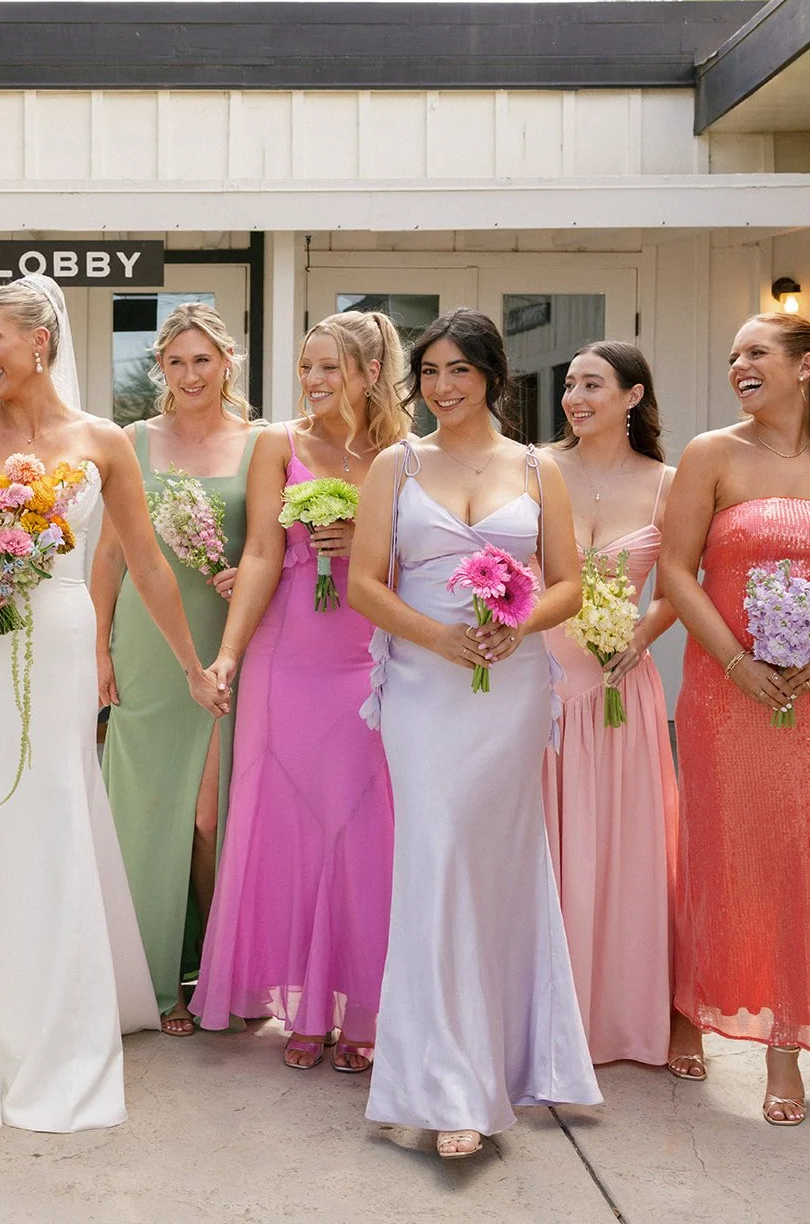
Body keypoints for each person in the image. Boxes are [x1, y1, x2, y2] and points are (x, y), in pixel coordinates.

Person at [0, 274, 229, 1157]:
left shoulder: (104, 442)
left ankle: (51, 1010)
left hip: (56, 634)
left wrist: (195, 665)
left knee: (50, 804)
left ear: (40, 343)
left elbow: (150, 567)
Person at [347, 307, 600, 1159]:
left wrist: (519, 623)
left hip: (512, 690)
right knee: (439, 856)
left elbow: (566, 584)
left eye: (459, 371)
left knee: (499, 865)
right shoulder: (397, 462)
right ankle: (446, 1089)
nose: (442, 387)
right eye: (429, 373)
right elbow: (365, 585)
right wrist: (440, 637)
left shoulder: (538, 471)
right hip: (423, 689)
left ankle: (509, 1062)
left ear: (492, 375)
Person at [191, 310, 409, 1072]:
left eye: (329, 368)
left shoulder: (405, 454)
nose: (312, 382)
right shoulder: (277, 444)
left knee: (362, 832)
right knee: (285, 827)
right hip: (288, 655)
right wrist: (227, 655)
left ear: (369, 372)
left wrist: (370, 544)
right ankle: (304, 1011)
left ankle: (362, 1009)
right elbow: (257, 550)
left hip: (369, 656)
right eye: (305, 367)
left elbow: (428, 556)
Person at [660, 312, 810, 1127]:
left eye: (756, 352)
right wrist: (736, 663)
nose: (739, 365)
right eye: (732, 355)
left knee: (804, 860)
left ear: (806, 365)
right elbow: (675, 570)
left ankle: (784, 1046)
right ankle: (691, 1004)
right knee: (723, 851)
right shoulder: (711, 453)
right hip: (726, 692)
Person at [92, 302, 256, 1036]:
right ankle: (155, 980)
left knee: (210, 818)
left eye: (203, 360)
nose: (190, 374)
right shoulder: (132, 440)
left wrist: (246, 583)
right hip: (147, 646)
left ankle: (225, 970)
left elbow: (273, 553)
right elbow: (110, 556)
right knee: (148, 809)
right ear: (161, 368)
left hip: (226, 645)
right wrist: (98, 648)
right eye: (176, 362)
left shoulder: (263, 445)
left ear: (227, 363)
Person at [540, 342, 682, 1068]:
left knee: (622, 854)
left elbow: (679, 584)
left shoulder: (668, 484)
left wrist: (640, 635)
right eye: (569, 385)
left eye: (592, 384)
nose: (574, 397)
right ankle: (543, 1019)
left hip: (622, 689)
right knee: (544, 851)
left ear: (632, 396)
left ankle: (617, 1019)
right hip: (545, 690)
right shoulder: (536, 469)